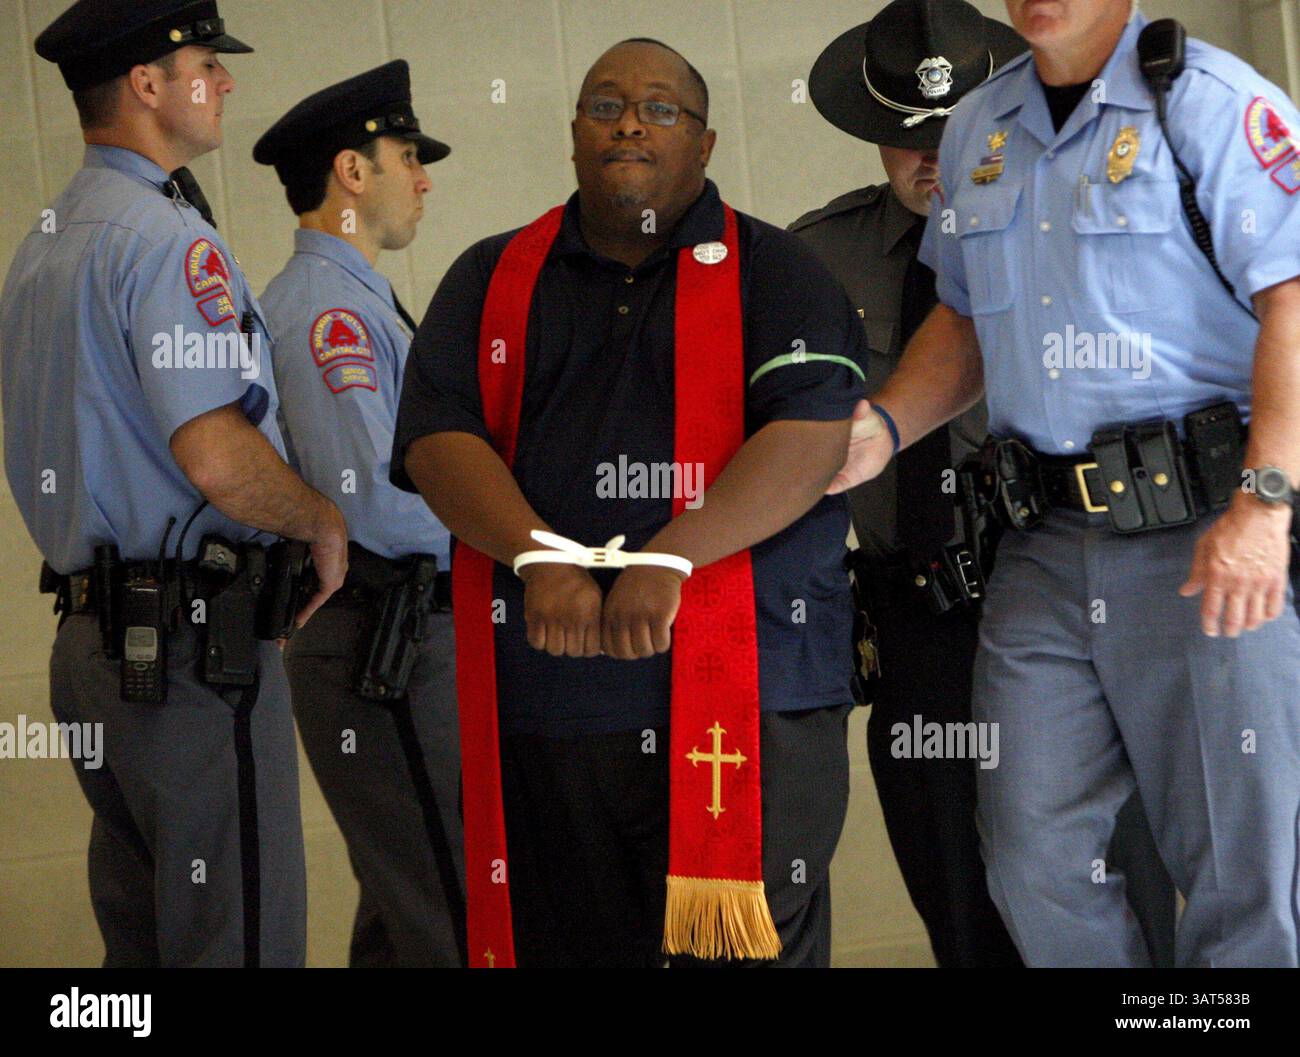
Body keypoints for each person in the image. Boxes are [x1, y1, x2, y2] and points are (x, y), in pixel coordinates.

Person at [833, 0, 1300, 967]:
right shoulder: (977, 128)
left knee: (1240, 875)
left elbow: (1291, 297)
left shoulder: (1209, 103)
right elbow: (962, 323)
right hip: (1041, 549)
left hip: (1202, 531)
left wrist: (1265, 500)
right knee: (1031, 858)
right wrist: (883, 425)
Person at [391, 38, 868, 968]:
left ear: (704, 141)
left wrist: (671, 555)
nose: (628, 122)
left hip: (753, 699)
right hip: (548, 703)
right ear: (574, 133)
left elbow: (812, 442)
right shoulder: (490, 278)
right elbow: (437, 441)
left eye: (659, 108)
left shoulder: (780, 270)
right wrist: (539, 556)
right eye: (604, 103)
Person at [794, 0, 1174, 968]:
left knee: (1106, 880)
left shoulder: (1072, 224)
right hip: (915, 625)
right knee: (961, 899)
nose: (930, 158)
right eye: (905, 138)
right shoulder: (816, 259)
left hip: (1063, 593)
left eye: (949, 131)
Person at [1, 0, 348, 967]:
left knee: (146, 952)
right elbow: (213, 451)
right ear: (148, 85)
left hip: (92, 645)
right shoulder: (163, 241)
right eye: (206, 61)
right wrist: (319, 517)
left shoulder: (45, 241)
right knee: (236, 939)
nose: (226, 80)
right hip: (191, 647)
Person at [255, 61, 465, 967]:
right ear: (351, 171)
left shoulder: (353, 299)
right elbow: (373, 501)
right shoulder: (324, 311)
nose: (422, 179)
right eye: (407, 155)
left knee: (406, 908)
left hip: (398, 635)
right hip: (390, 636)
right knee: (451, 912)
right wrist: (520, 539)